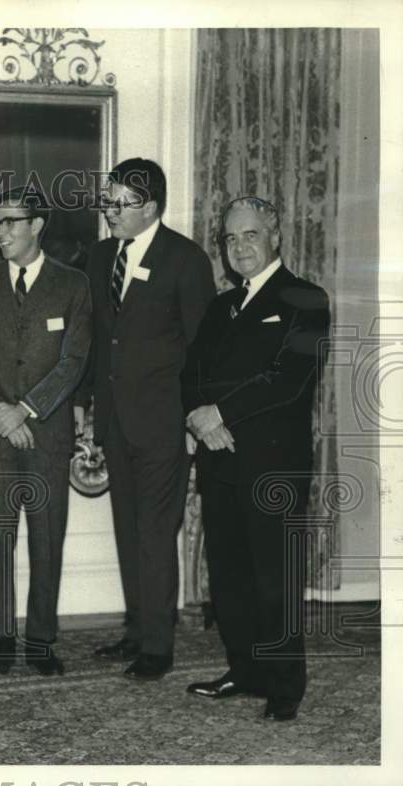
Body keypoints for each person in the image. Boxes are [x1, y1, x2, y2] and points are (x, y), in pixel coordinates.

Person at [182, 196, 330, 722]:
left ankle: (284, 687)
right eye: (229, 238)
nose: (239, 246)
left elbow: (287, 380)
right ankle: (243, 670)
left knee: (274, 578)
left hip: (273, 464)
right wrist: (200, 418)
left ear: (274, 236)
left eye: (249, 235)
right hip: (219, 461)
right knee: (229, 577)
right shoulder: (221, 307)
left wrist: (218, 413)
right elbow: (191, 372)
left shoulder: (305, 298)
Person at [83, 158, 216, 680]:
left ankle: (158, 649)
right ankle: (137, 630)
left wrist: (191, 423)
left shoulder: (185, 259)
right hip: (116, 421)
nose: (111, 211)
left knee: (156, 534)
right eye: (108, 200)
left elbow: (203, 349)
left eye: (122, 203)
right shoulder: (98, 258)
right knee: (127, 530)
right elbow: (98, 341)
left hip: (165, 425)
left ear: (152, 208)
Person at [0, 186, 92, 676]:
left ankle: (41, 640)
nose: (1, 232)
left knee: (46, 538)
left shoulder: (73, 285)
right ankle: (1, 639)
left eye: (11, 222)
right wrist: (0, 410)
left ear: (38, 225)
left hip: (47, 434)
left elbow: (75, 361)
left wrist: (27, 409)